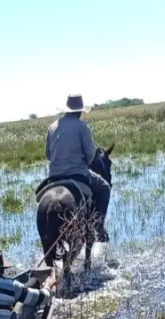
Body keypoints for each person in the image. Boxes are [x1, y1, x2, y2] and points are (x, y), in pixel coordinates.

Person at [45, 94, 111, 242]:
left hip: (54, 177)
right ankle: (99, 227)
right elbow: (91, 155)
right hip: (77, 173)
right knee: (105, 188)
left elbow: (48, 155)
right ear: (80, 112)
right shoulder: (82, 126)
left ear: (66, 110)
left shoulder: (52, 127)